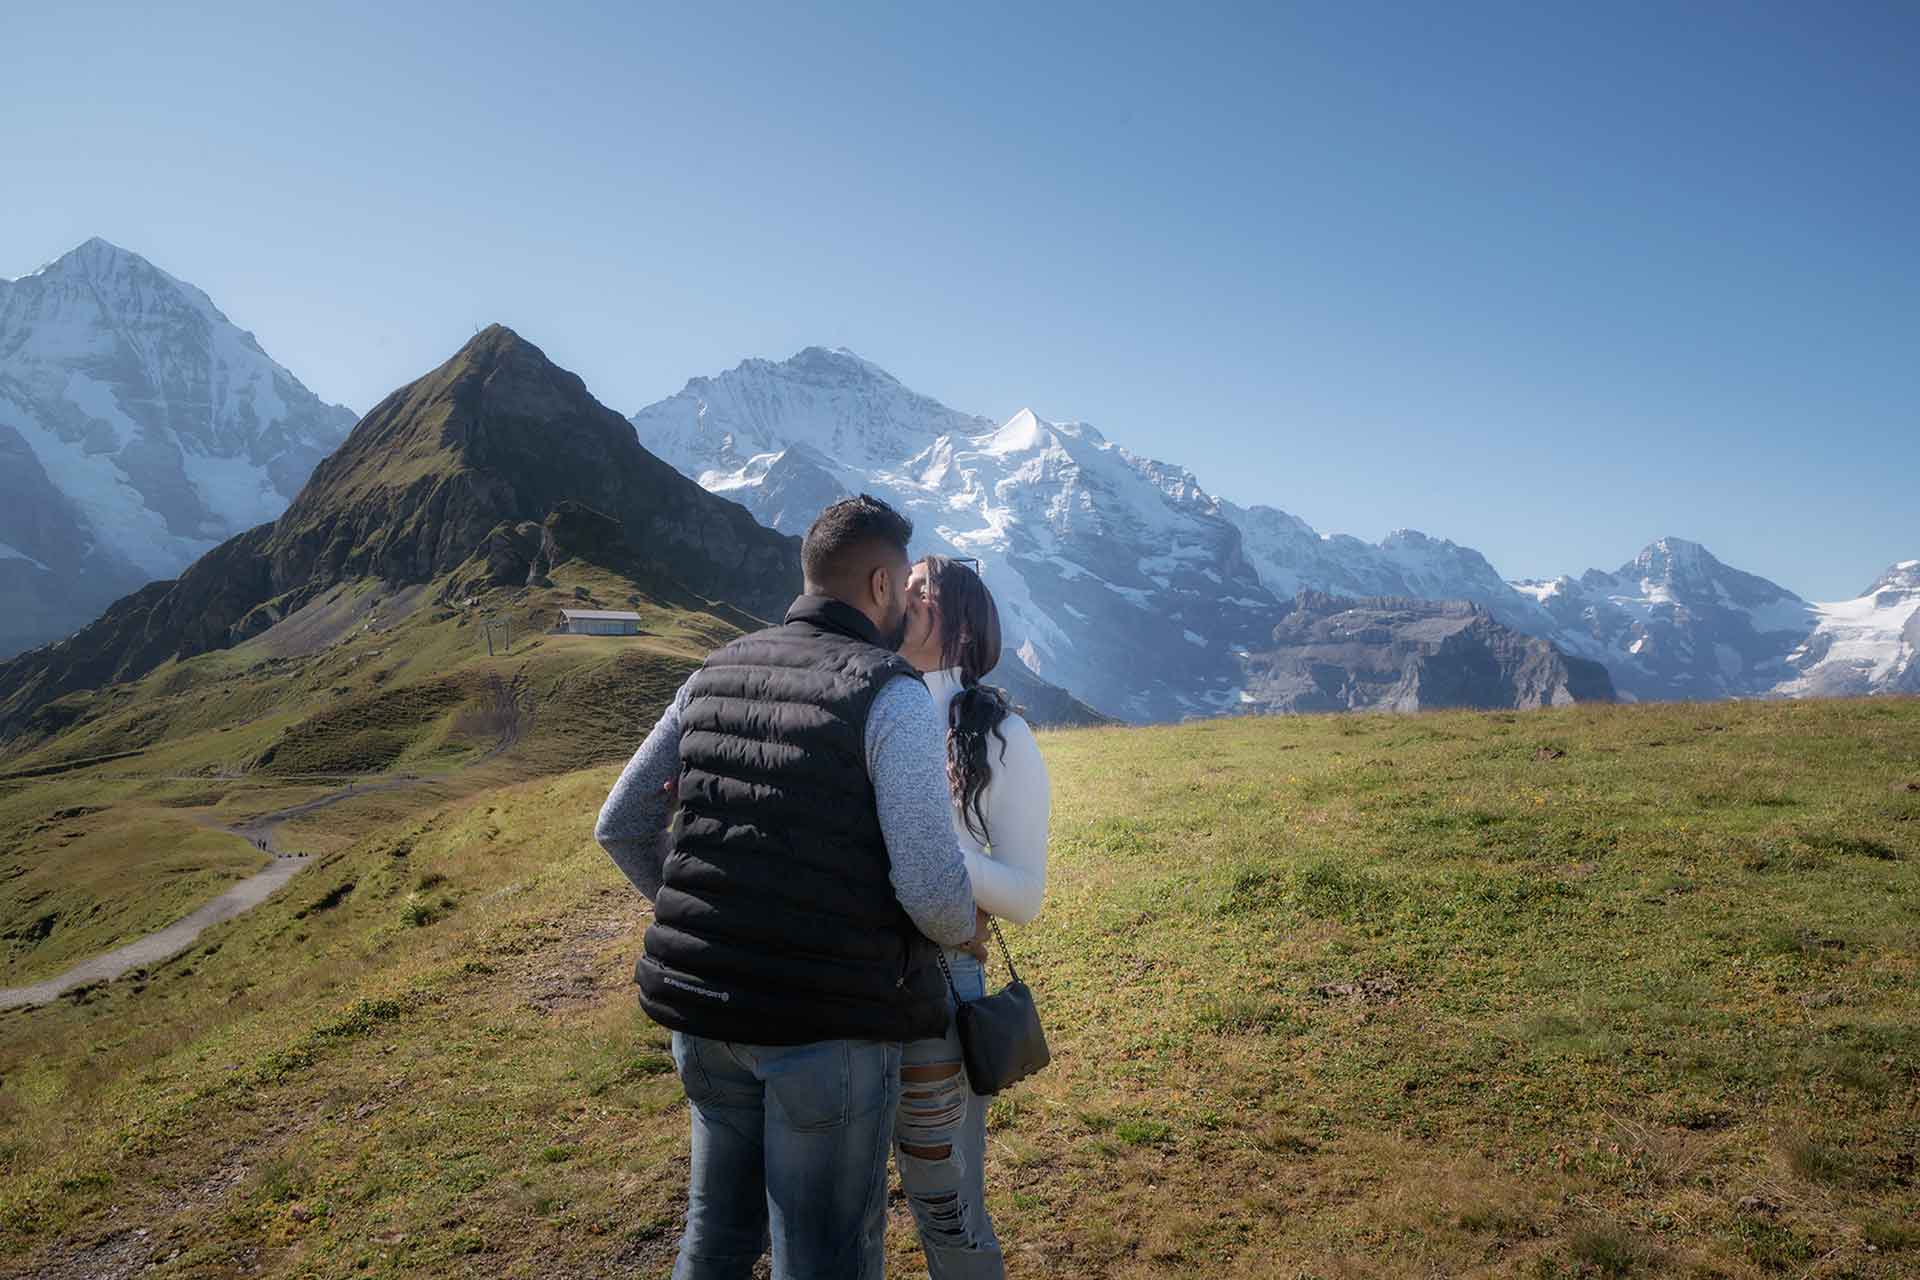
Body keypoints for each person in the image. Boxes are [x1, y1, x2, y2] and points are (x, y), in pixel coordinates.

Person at [594, 494, 977, 1280]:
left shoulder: (710, 672)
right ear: (878, 584)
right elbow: (932, 889)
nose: (910, 600)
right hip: (825, 1024)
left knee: (716, 1237)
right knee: (824, 1253)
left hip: (703, 1014)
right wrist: (960, 930)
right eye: (905, 585)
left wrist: (705, 915)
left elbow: (622, 823)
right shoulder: (888, 691)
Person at [891, 554, 1052, 1279]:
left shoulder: (998, 734)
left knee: (950, 1207)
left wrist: (934, 854)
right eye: (903, 584)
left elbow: (1023, 894)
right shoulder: (859, 697)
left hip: (942, 979)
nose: (904, 597)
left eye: (925, 591)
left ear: (961, 627)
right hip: (839, 974)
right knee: (842, 1204)